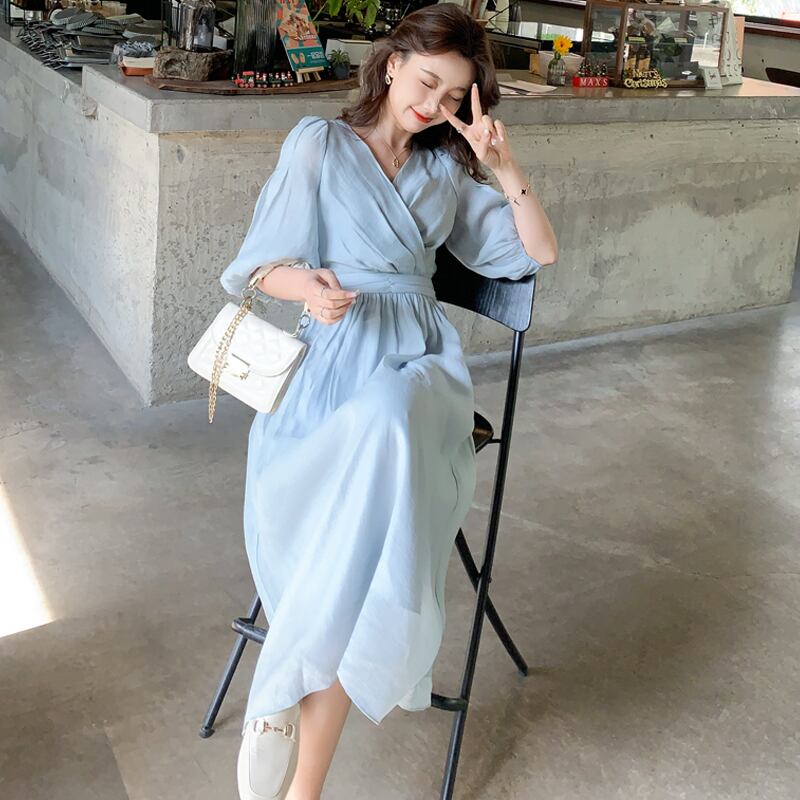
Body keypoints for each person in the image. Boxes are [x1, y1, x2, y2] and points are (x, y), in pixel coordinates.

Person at [219, 5, 558, 799]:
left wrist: (503, 164)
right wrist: (309, 287)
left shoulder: (447, 174)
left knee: (384, 421)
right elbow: (258, 266)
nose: (434, 104)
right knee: (361, 540)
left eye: (454, 96)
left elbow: (537, 251)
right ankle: (302, 776)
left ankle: (280, 698)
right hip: (329, 361)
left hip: (417, 369)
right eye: (426, 81)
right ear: (393, 62)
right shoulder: (317, 144)